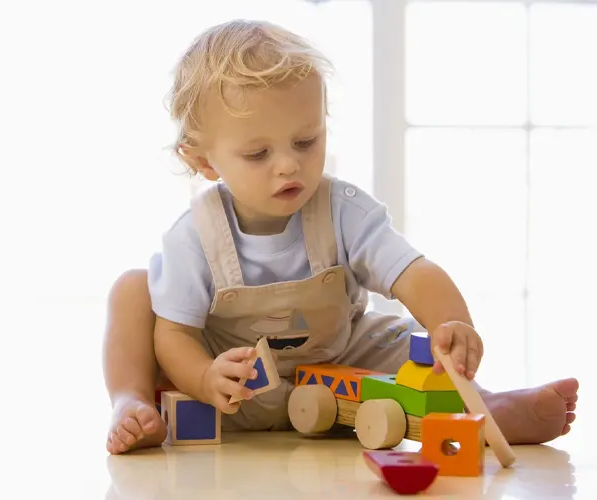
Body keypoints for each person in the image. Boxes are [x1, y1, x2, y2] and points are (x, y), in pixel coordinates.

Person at [103, 19, 578, 455]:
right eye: (258, 154)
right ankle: (132, 405)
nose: (289, 164)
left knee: (406, 341)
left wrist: (451, 324)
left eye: (305, 142)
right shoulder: (194, 236)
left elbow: (414, 273)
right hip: (231, 388)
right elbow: (175, 336)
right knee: (133, 288)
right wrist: (206, 377)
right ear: (204, 162)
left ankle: (483, 407)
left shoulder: (342, 210)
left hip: (338, 364)